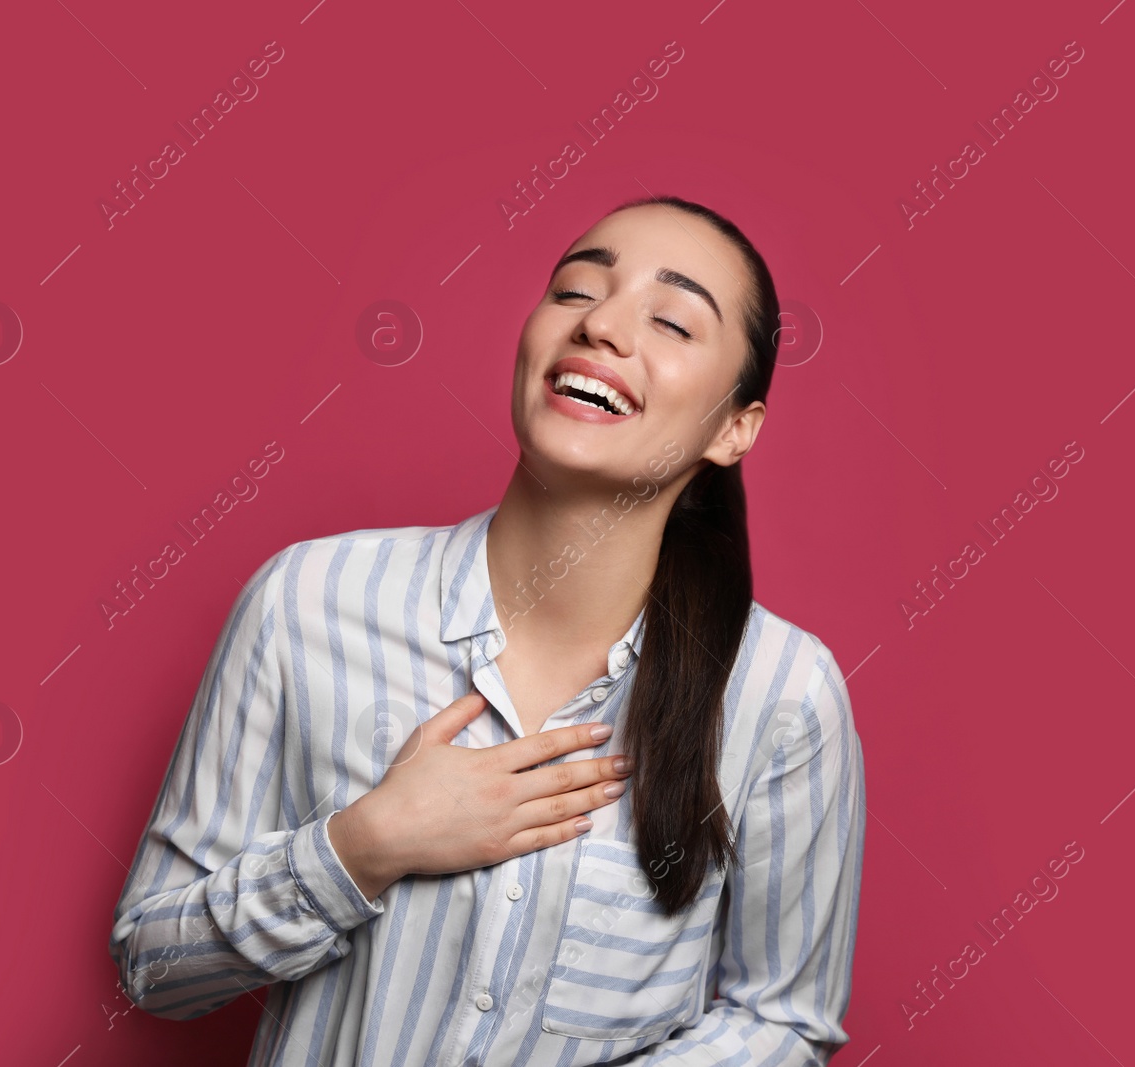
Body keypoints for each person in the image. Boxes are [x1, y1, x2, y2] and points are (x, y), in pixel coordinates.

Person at [108, 194, 867, 1065]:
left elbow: (785, 1019)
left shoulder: (782, 694)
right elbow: (151, 965)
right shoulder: (305, 600)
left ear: (736, 428)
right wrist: (362, 847)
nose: (604, 326)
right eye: (578, 291)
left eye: (671, 320)